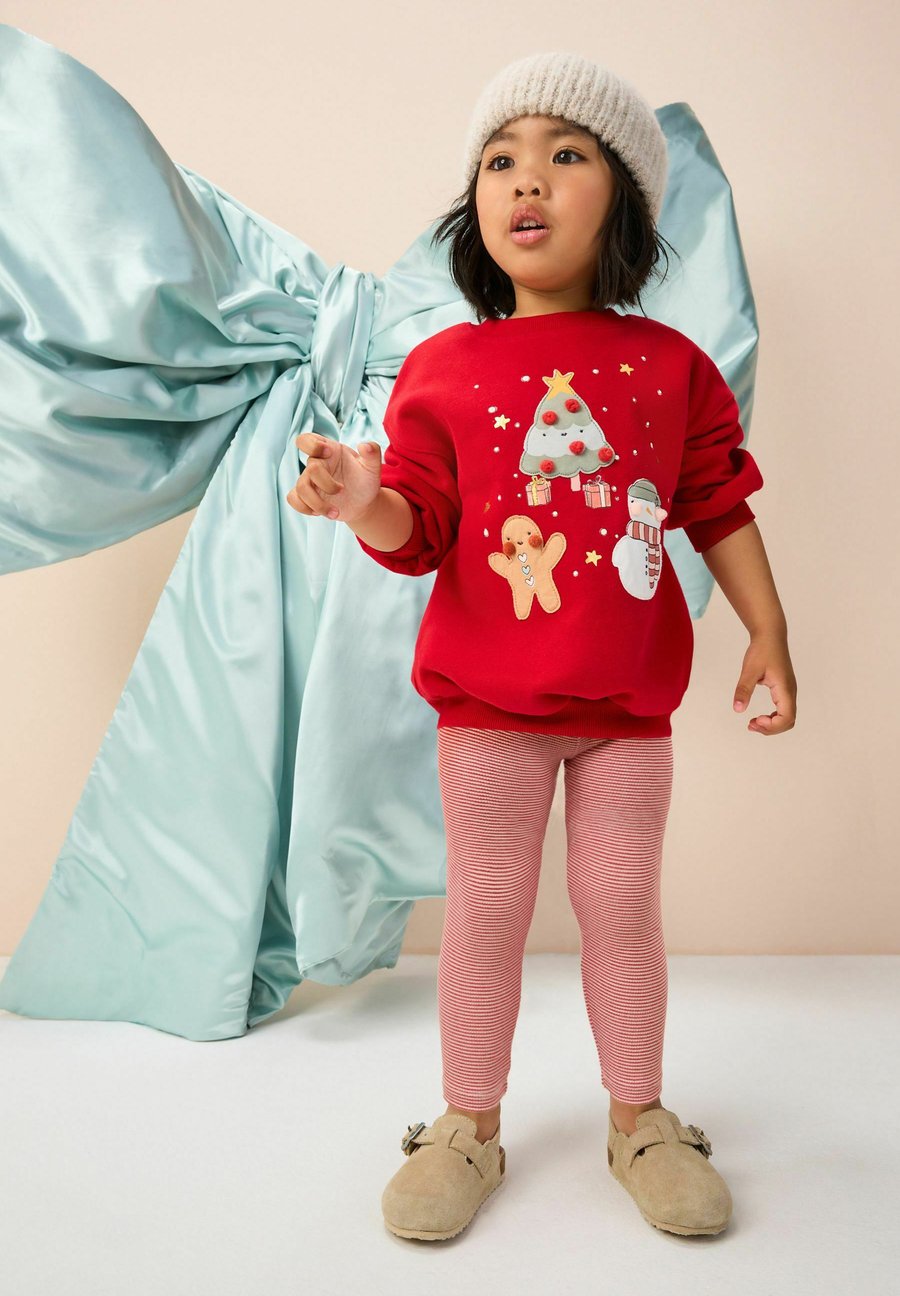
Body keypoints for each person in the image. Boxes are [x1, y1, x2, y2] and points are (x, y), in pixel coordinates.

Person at [286, 51, 797, 1242]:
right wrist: (363, 498)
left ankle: (641, 1120)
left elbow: (718, 504)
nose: (528, 179)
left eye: (567, 155)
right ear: (474, 204)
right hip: (486, 709)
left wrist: (768, 629)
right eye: (500, 160)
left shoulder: (673, 369)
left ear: (624, 201)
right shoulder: (441, 369)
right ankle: (467, 1124)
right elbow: (417, 530)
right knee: (488, 908)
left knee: (621, 904)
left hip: (627, 709)